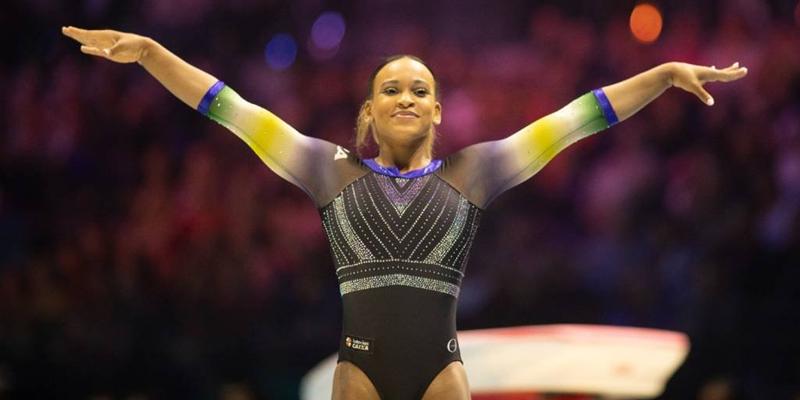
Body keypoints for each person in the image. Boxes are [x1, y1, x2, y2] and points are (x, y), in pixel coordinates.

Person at [61, 26, 747, 400]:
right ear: (369, 111)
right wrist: (150, 53)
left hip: (441, 375)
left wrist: (660, 76)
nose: (407, 97)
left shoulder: (475, 172)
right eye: (391, 88)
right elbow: (229, 108)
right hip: (357, 374)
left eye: (421, 89)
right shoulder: (325, 170)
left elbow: (578, 118)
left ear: (439, 110)